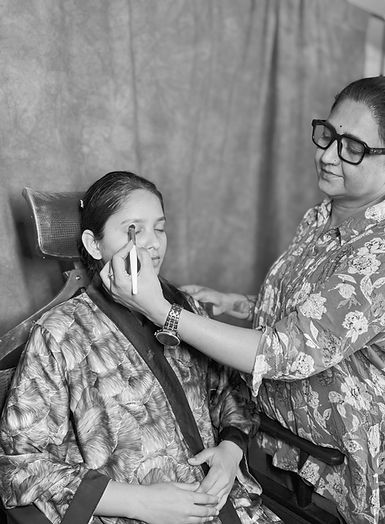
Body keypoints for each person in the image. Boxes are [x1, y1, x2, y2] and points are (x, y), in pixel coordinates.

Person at [100, 76, 385, 524]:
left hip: (341, 455)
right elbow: (310, 312)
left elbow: (286, 350)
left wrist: (165, 314)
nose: (328, 154)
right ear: (92, 243)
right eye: (327, 135)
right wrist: (235, 303)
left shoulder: (379, 252)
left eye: (352, 147)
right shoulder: (324, 215)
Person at [0, 171, 282, 524]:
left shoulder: (182, 308)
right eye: (134, 229)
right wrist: (139, 503)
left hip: (225, 505)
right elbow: (19, 465)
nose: (152, 244)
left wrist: (229, 450)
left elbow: (231, 395)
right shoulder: (60, 333)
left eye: (159, 228)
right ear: (93, 244)